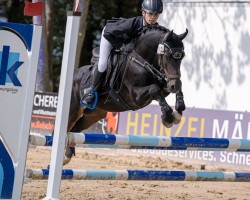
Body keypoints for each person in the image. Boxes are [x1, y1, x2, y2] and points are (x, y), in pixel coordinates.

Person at [81, 0, 163, 108]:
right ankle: (91, 92)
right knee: (103, 64)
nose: (153, 17)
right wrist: (121, 46)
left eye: (156, 14)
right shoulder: (132, 23)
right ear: (143, 13)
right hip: (110, 35)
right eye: (150, 14)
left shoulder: (155, 28)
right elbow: (108, 33)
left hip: (125, 42)